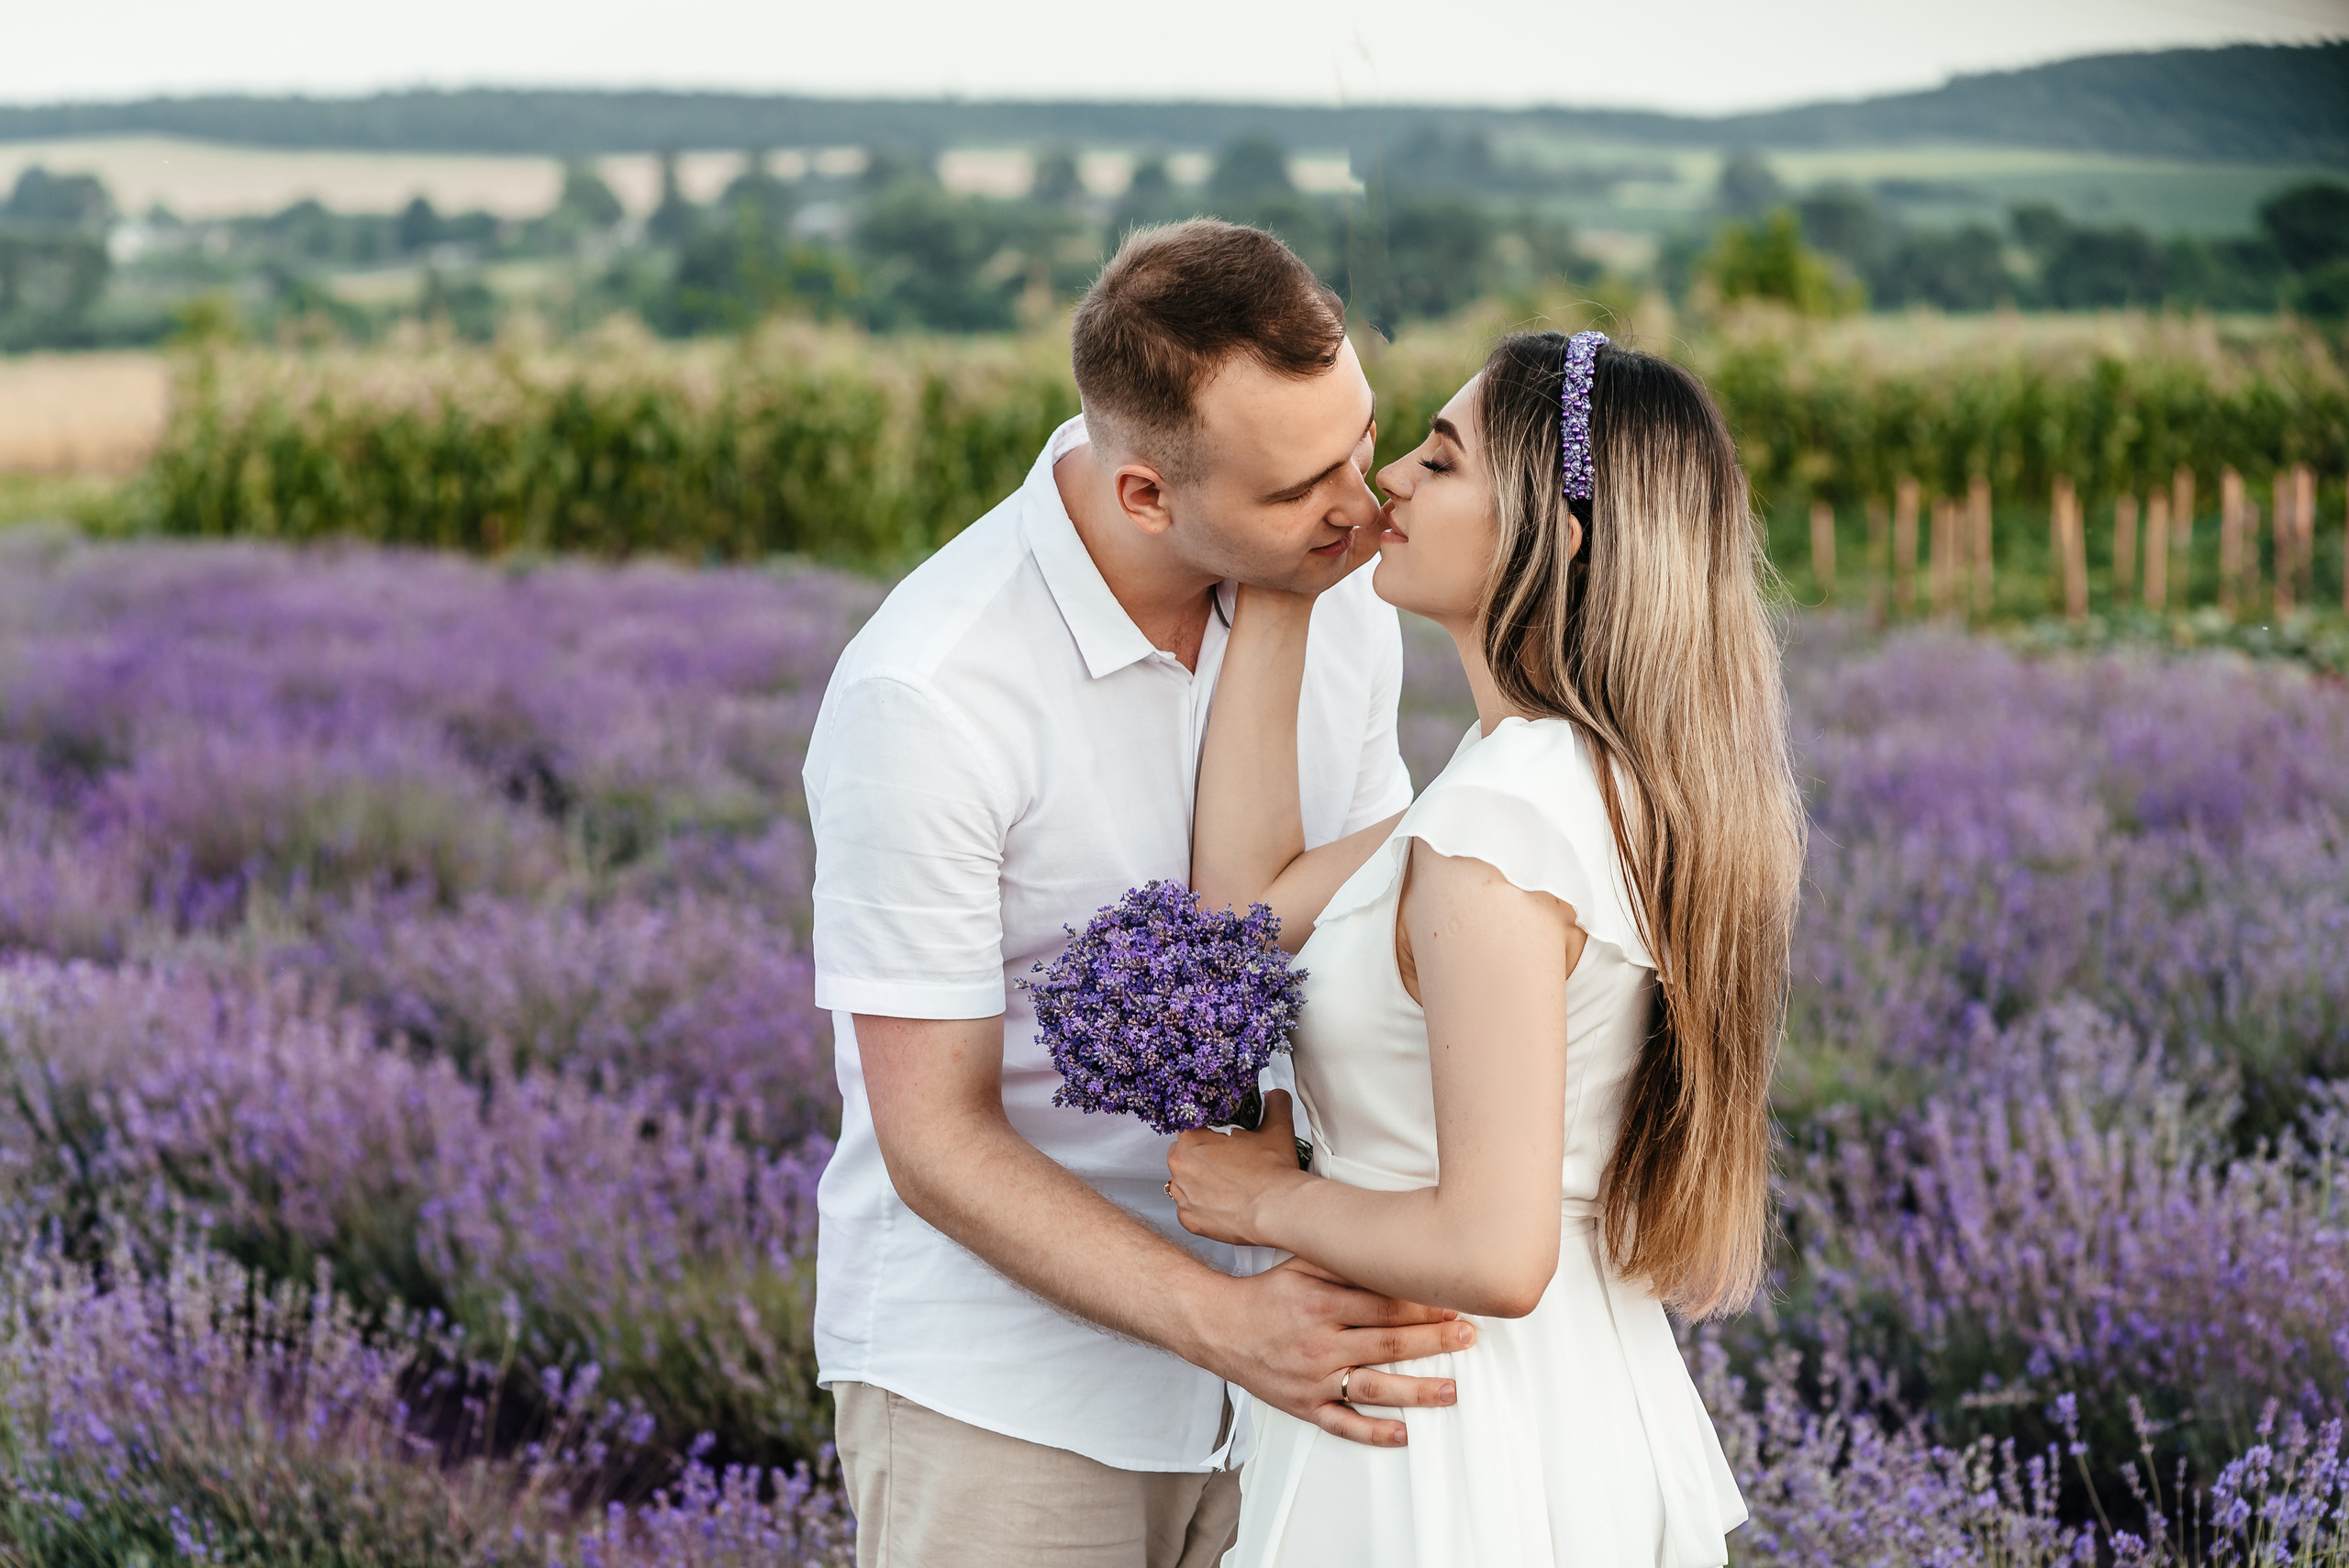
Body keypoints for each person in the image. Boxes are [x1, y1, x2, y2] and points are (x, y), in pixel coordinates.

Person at [802, 219, 1475, 1568]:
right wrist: (1222, 1318)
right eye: (1301, 487)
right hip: (1009, 1401)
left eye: (1364, 441)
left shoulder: (1329, 594)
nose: (1363, 503)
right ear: (1148, 497)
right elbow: (933, 1139)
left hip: (1294, 1371)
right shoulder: (928, 693)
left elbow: (1353, 931)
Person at [1169, 329, 1803, 1566]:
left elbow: (1492, 1251)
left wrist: (1262, 1195)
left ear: (1555, 534)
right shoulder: (1573, 777)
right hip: (1548, 1404)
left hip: (1449, 1449)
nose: (1390, 479)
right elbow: (1247, 911)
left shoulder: (1501, 821)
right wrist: (1285, 593)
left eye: (1440, 460)